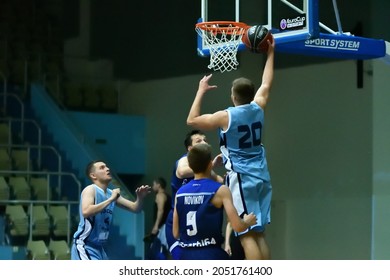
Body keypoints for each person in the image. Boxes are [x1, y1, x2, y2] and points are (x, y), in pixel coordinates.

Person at [186, 39, 275, 260]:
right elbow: (266, 83)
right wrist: (271, 52)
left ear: (233, 96)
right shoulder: (259, 105)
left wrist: (200, 90)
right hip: (262, 174)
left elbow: (192, 120)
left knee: (245, 235)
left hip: (242, 177)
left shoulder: (226, 116)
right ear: (251, 94)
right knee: (260, 233)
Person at [172, 143, 257, 260]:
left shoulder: (180, 193)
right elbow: (237, 226)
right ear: (210, 164)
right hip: (210, 254)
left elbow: (175, 233)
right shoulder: (220, 190)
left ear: (190, 166)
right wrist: (247, 222)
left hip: (185, 255)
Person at [71, 160, 151, 260]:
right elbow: (86, 212)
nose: (107, 169)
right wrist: (111, 199)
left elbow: (136, 208)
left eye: (107, 167)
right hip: (85, 245)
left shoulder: (111, 193)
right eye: (102, 168)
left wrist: (140, 198)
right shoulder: (91, 190)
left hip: (100, 247)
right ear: (93, 175)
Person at [165, 129, 223, 260]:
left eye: (205, 140)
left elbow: (220, 182)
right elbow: (181, 172)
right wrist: (212, 165)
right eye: (199, 141)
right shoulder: (184, 160)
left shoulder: (206, 170)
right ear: (190, 149)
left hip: (199, 224)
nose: (204, 142)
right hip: (178, 221)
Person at [144, 177, 171, 259]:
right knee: (162, 251)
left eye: (154, 184)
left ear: (158, 185)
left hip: (162, 228)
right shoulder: (167, 196)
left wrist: (156, 226)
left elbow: (160, 210)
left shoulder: (160, 195)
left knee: (156, 252)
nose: (153, 187)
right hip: (166, 227)